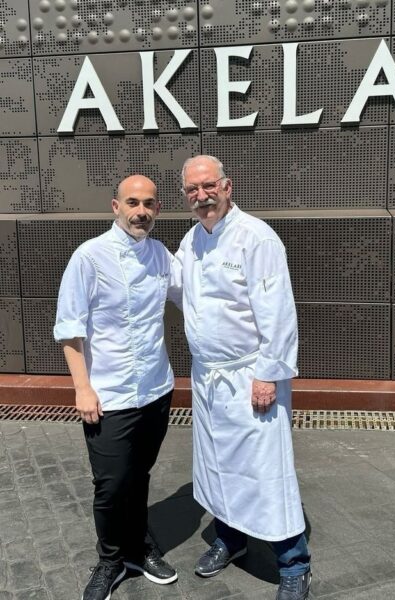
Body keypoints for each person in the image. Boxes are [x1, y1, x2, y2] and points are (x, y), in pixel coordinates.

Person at [175, 155, 311, 600]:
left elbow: (278, 312)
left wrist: (269, 373)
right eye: (192, 190)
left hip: (251, 374)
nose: (202, 196)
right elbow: (177, 290)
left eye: (208, 186)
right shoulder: (191, 241)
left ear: (227, 186)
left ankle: (293, 562)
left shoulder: (256, 238)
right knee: (217, 465)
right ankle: (231, 540)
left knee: (264, 469)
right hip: (208, 376)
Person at [54, 175, 181, 600]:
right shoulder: (89, 257)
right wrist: (81, 388)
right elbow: (70, 329)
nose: (140, 210)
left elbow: (197, 296)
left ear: (157, 209)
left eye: (148, 203)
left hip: (156, 389)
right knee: (110, 484)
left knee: (138, 475)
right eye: (132, 202)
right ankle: (110, 559)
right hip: (107, 393)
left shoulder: (162, 255)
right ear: (115, 206)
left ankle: (137, 547)